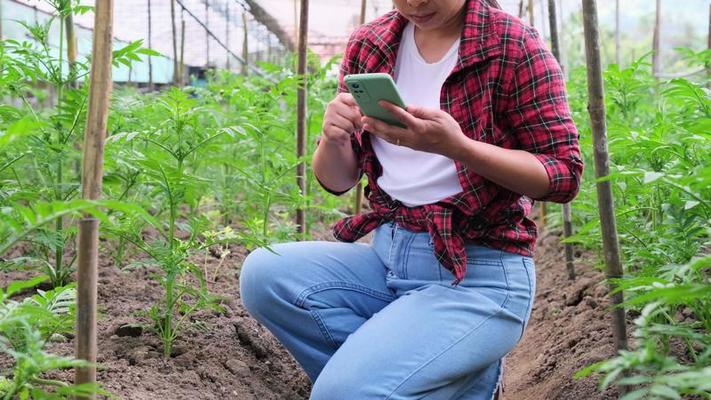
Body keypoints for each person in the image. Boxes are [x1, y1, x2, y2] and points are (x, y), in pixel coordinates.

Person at [239, 0, 582, 398]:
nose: (415, 3)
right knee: (266, 275)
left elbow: (563, 175)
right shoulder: (371, 43)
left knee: (343, 392)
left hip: (476, 275)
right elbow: (338, 180)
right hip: (389, 257)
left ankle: (407, 372)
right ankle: (451, 377)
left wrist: (460, 148)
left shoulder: (512, 45)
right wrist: (333, 138)